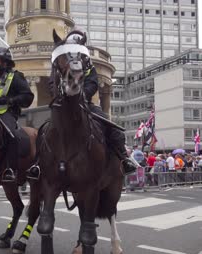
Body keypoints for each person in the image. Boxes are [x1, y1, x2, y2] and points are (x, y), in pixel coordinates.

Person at [29, 31, 137, 179]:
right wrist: (58, 96)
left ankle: (124, 159)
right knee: (43, 132)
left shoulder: (88, 66)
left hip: (85, 104)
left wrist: (81, 96)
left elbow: (92, 84)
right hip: (63, 106)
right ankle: (38, 164)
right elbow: (52, 83)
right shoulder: (61, 64)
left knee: (113, 128)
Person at [0, 47, 34, 181]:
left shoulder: (16, 77)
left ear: (5, 61)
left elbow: (28, 97)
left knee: (11, 135)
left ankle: (10, 169)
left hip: (6, 113)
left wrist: (10, 100)